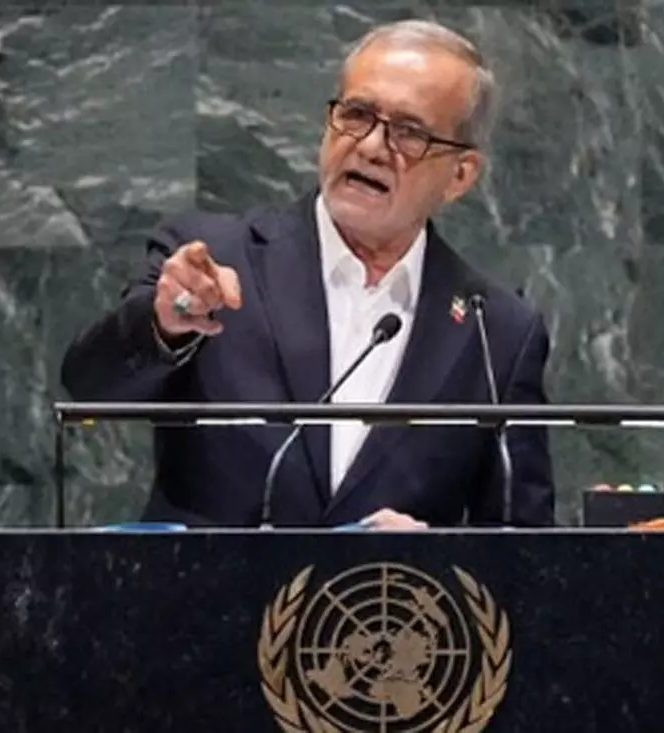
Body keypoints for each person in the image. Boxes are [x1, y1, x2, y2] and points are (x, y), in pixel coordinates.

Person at [60, 20, 555, 530]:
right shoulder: (215, 262)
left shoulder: (497, 333)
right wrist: (163, 323)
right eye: (357, 114)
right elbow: (89, 391)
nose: (370, 146)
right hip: (206, 582)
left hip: (385, 587)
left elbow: (524, 547)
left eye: (409, 132)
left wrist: (437, 554)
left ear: (460, 175)